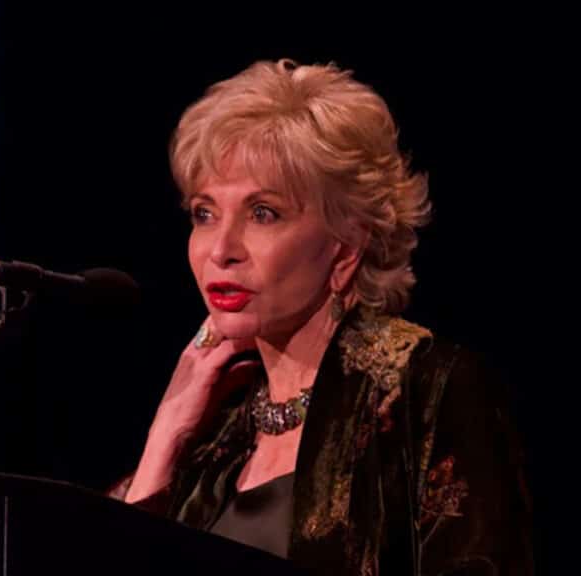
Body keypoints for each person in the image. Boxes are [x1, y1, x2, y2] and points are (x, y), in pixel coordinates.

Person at [107, 59, 534, 575]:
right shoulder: (216, 431)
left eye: (263, 213)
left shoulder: (431, 391)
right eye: (205, 213)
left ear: (346, 245)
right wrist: (167, 433)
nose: (221, 249)